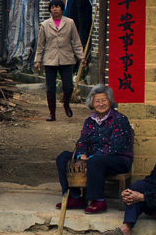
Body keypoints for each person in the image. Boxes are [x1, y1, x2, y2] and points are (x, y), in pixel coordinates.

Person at [55, 84, 133, 214]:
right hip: (94, 159)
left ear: (110, 101)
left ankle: (98, 200)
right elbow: (83, 141)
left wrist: (90, 158)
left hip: (118, 159)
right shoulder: (90, 121)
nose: (101, 104)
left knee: (95, 161)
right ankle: (73, 196)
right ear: (92, 102)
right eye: (97, 101)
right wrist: (81, 155)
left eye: (104, 100)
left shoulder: (120, 119)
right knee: (63, 157)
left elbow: (116, 146)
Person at [34, 0, 86, 121]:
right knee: (50, 88)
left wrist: (81, 56)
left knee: (68, 86)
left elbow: (76, 41)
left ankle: (66, 104)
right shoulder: (45, 25)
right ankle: (52, 113)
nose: (55, 9)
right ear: (50, 10)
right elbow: (41, 44)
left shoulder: (70, 23)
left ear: (62, 9)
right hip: (50, 59)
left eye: (57, 7)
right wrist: (38, 60)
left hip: (66, 58)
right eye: (52, 7)